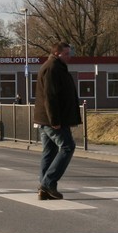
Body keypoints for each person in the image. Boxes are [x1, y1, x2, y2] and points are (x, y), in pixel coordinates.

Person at [32, 42, 81, 200]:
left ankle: (44, 189)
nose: (69, 56)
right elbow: (50, 96)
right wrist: (54, 120)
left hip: (46, 119)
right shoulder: (53, 68)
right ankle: (48, 183)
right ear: (56, 54)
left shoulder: (55, 67)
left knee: (50, 151)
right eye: (66, 54)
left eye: (69, 53)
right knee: (67, 147)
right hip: (52, 120)